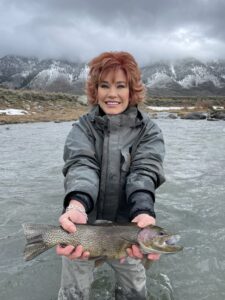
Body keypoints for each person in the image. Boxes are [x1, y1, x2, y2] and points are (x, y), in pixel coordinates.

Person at [56, 51, 165, 300]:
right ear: (95, 91)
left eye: (120, 85)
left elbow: (144, 172)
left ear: (132, 90)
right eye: (104, 85)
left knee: (134, 293)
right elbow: (81, 166)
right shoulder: (82, 128)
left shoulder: (149, 131)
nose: (112, 94)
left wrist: (142, 210)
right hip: (83, 228)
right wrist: (77, 204)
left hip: (128, 230)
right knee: (73, 294)